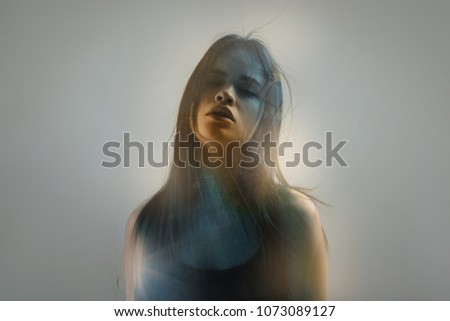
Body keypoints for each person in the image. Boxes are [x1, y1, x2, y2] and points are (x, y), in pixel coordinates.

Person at [124, 34, 327, 300]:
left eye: (247, 89)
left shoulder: (295, 218)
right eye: (212, 82)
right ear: (192, 102)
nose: (224, 94)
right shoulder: (146, 224)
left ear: (266, 117)